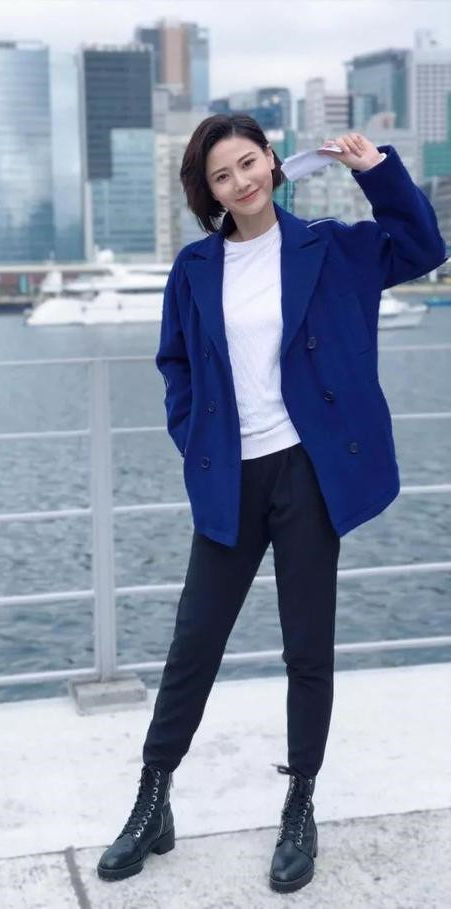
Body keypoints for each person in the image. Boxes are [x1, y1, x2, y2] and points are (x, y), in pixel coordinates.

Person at [96, 115, 447, 891]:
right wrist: (192, 434)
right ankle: (152, 800)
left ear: (273, 163)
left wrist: (376, 170)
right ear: (208, 191)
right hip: (230, 474)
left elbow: (424, 246)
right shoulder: (194, 267)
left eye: (248, 163)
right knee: (195, 642)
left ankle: (300, 805)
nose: (241, 182)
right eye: (222, 175)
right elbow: (175, 363)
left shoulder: (332, 246)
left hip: (307, 473)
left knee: (306, 647)